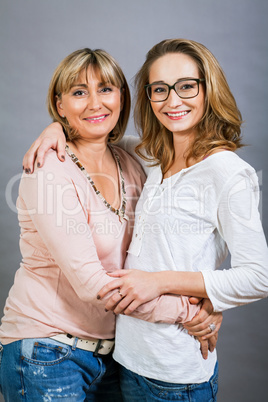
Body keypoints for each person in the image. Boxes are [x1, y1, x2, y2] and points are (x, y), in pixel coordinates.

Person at [22, 39, 268, 401]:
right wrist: (55, 129)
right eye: (159, 90)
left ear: (208, 89)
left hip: (175, 368)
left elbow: (259, 278)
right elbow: (94, 131)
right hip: (127, 359)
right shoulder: (149, 157)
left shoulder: (228, 173)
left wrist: (166, 286)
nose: (173, 101)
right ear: (147, 97)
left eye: (186, 86)